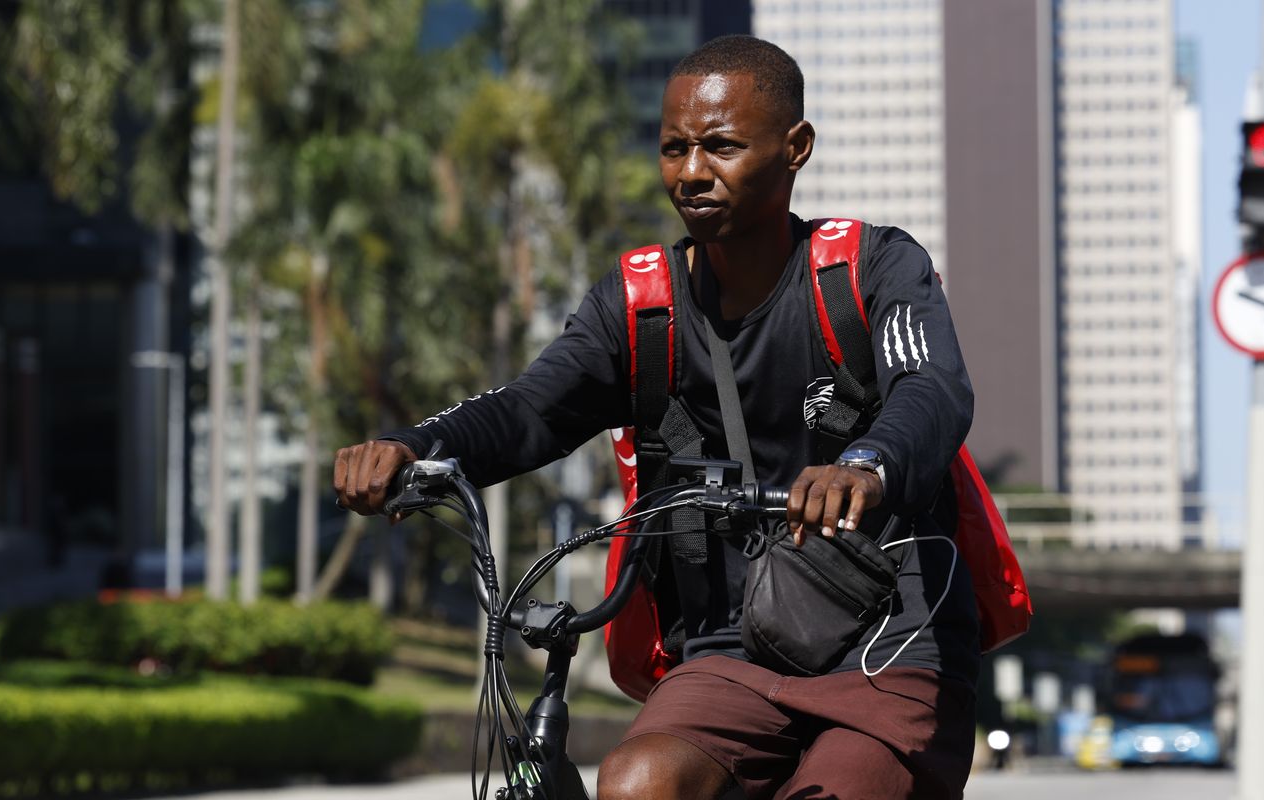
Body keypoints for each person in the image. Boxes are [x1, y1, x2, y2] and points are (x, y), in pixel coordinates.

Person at [334, 34, 978, 800]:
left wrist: (866, 465)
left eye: (722, 146)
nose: (693, 172)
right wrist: (412, 448)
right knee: (637, 781)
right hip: (725, 651)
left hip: (884, 643)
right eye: (675, 149)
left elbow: (933, 390)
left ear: (795, 147)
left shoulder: (868, 268)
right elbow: (530, 408)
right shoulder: (642, 307)